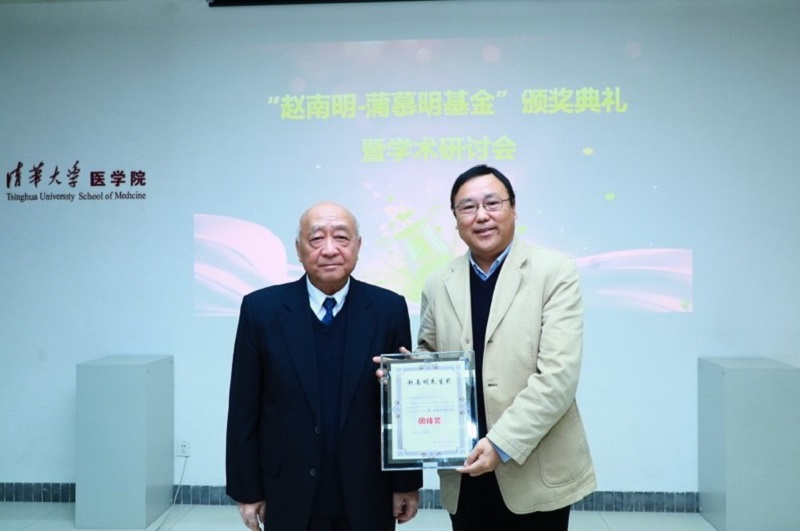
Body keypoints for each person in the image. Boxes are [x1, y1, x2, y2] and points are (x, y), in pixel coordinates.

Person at [417, 165, 595, 530]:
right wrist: (405, 377)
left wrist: (500, 444)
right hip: (464, 468)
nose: (481, 215)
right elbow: (429, 355)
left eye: (492, 203)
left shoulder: (554, 271)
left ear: (513, 209)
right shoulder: (438, 283)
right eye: (468, 207)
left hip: (534, 467)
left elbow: (558, 377)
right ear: (455, 220)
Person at [226, 201, 422, 531]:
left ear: (358, 246)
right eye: (317, 238)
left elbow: (400, 408)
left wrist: (407, 482)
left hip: (368, 490)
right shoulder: (261, 310)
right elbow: (244, 407)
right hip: (287, 489)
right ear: (298, 249)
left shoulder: (388, 309)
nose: (329, 249)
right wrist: (247, 490)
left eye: (341, 237)